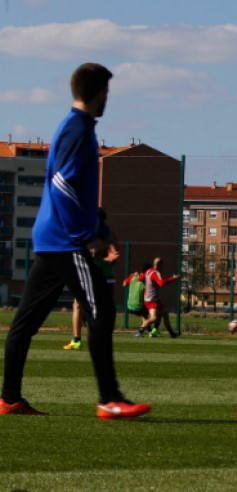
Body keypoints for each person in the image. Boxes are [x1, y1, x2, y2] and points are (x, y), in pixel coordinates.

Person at [0, 63, 150, 418]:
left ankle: (8, 399)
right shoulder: (78, 130)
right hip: (66, 241)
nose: (107, 100)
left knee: (25, 323)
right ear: (98, 93)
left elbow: (77, 192)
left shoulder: (76, 129)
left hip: (54, 240)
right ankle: (110, 398)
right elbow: (63, 186)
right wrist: (86, 237)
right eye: (107, 94)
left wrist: (101, 229)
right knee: (102, 309)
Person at [65, 208, 117, 351]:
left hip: (93, 273)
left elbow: (93, 253)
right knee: (103, 307)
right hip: (108, 274)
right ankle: (103, 337)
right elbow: (115, 254)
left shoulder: (91, 234)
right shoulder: (109, 234)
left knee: (78, 305)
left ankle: (77, 339)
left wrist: (95, 256)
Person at [135, 257, 180, 338]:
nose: (163, 268)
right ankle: (140, 331)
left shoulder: (148, 271)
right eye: (162, 266)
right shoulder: (156, 273)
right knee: (154, 318)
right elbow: (161, 283)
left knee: (165, 314)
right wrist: (173, 278)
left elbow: (140, 278)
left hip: (152, 299)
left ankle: (172, 334)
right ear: (160, 265)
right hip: (152, 300)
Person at [123, 263, 154, 335]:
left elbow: (124, 284)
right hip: (138, 306)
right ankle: (141, 332)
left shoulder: (133, 275)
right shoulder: (147, 278)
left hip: (129, 306)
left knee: (144, 315)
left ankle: (150, 332)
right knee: (154, 314)